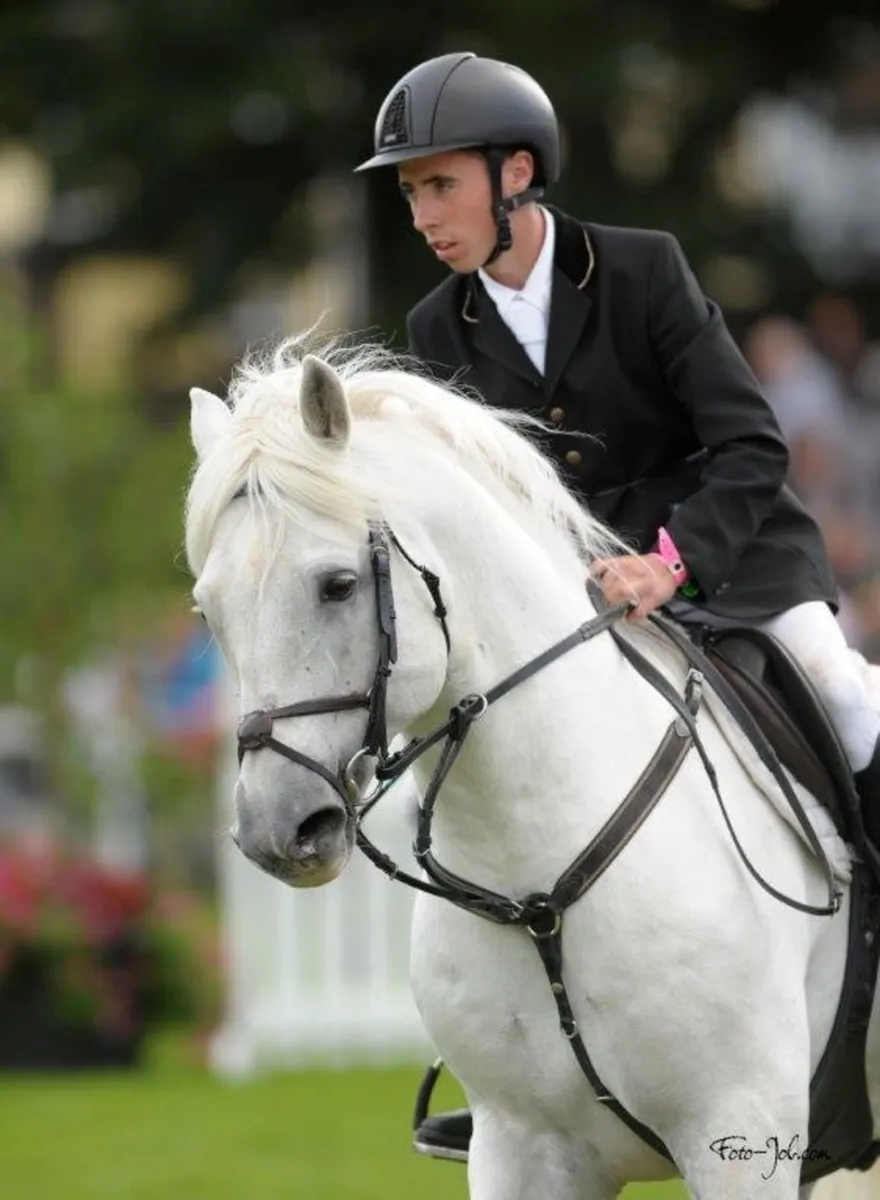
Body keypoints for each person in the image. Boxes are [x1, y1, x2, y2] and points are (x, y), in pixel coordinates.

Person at [354, 50, 880, 1159]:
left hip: (733, 563)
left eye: (438, 185)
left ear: (516, 175)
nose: (422, 214)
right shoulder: (437, 329)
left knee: (848, 701)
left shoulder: (642, 270)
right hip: (572, 604)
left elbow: (750, 444)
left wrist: (670, 563)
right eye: (409, 192)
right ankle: (517, 1066)